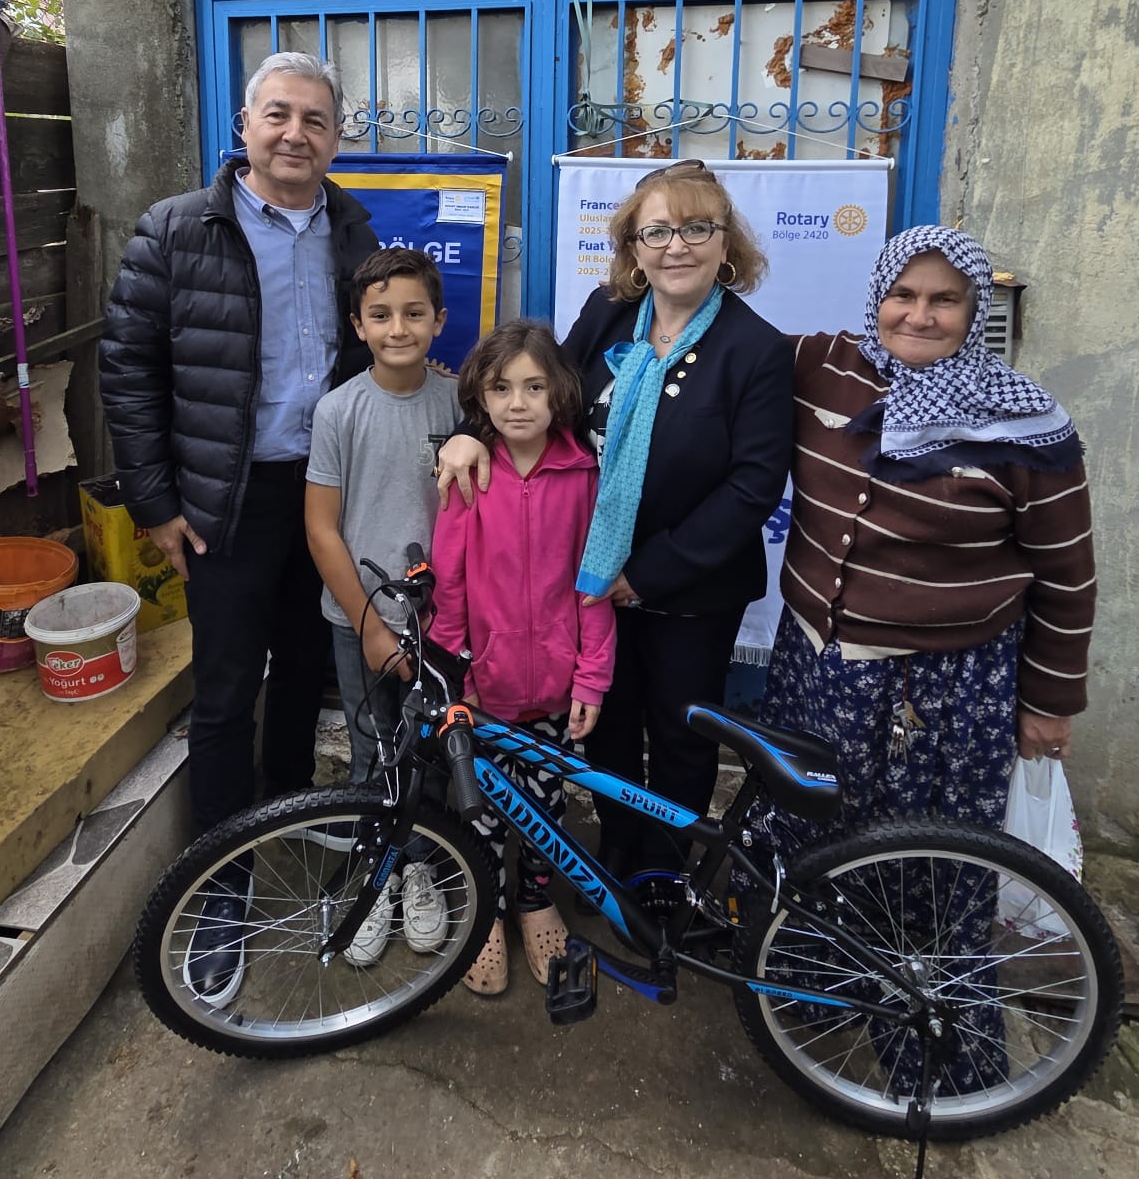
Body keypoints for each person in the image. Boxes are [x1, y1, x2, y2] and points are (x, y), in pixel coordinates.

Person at [99, 51, 377, 1004]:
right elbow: (127, 370)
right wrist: (155, 504)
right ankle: (222, 880)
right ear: (245, 125)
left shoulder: (352, 227)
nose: (296, 134)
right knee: (224, 692)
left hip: (326, 493)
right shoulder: (177, 228)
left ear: (336, 138)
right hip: (226, 497)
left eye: (315, 120)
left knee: (304, 669)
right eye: (278, 115)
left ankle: (287, 810)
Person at [440, 159, 796, 880]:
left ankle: (664, 876)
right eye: (657, 231)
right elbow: (543, 395)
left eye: (697, 228)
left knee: (680, 735)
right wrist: (470, 433)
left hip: (688, 588)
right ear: (634, 246)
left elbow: (752, 488)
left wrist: (644, 573)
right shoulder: (607, 312)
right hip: (587, 576)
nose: (677, 246)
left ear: (727, 243)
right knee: (605, 729)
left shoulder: (756, 349)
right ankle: (617, 853)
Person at [757, 222, 1097, 845]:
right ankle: (796, 916)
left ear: (975, 310)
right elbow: (724, 347)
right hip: (810, 666)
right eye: (903, 295)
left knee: (919, 847)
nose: (919, 316)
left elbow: (1067, 574)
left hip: (945, 691)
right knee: (806, 833)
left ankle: (909, 920)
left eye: (945, 299)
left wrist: (1050, 703)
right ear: (877, 298)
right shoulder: (824, 367)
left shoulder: (1026, 424)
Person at [428, 321, 615, 996]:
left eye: (534, 387)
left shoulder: (584, 473)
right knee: (479, 812)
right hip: (484, 688)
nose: (517, 403)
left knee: (544, 810)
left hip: (556, 689)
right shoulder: (470, 472)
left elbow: (595, 585)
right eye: (502, 388)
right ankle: (487, 913)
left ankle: (536, 902)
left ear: (559, 391)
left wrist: (591, 676)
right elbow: (449, 584)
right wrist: (458, 672)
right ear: (480, 395)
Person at [304, 247, 460, 967]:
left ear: (439, 320)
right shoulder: (338, 411)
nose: (399, 328)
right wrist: (370, 625)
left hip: (443, 623)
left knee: (433, 753)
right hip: (359, 622)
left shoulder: (461, 403)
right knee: (371, 751)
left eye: (414, 313)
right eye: (381, 315)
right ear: (358, 325)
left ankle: (421, 868)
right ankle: (375, 874)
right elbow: (321, 528)